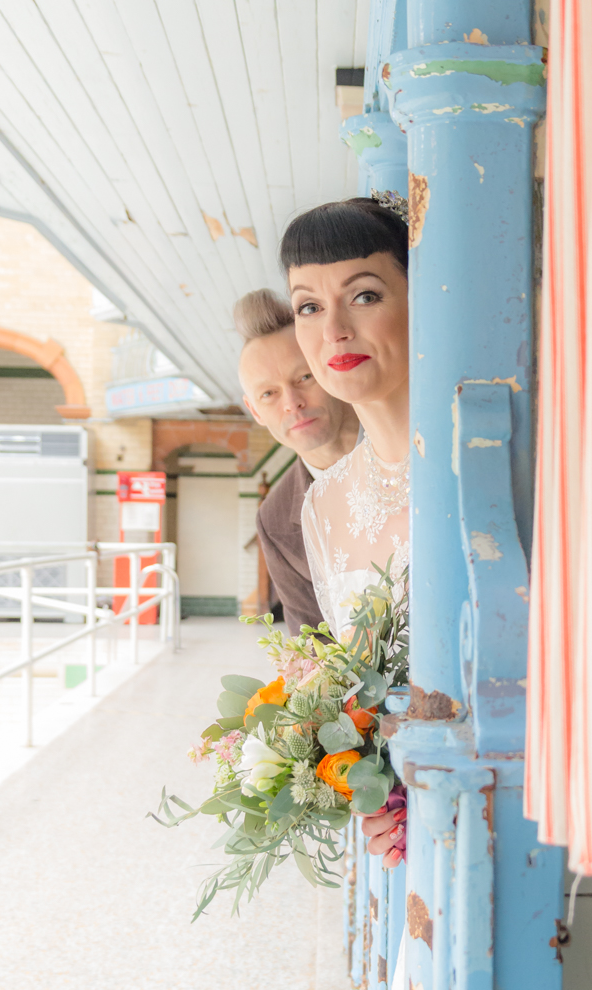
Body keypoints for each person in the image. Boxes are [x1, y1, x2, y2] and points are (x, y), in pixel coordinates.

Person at [281, 198, 410, 872]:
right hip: (401, 840)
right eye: (307, 305)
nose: (333, 329)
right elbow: (353, 688)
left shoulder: (491, 458)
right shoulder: (322, 506)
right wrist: (373, 789)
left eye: (363, 294)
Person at [236, 289, 360, 636]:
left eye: (303, 378)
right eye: (269, 394)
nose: (292, 403)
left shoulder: (414, 441)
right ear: (255, 410)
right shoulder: (274, 519)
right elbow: (313, 647)